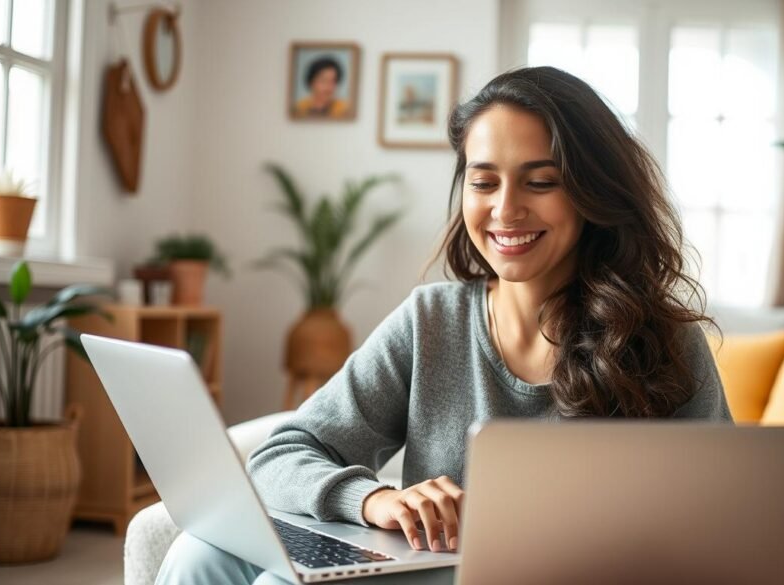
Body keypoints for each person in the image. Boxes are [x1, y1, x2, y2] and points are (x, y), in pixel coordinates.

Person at [155, 66, 732, 585]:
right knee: (197, 555)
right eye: (484, 182)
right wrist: (373, 499)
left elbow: (721, 524)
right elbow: (281, 454)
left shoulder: (665, 343)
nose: (505, 210)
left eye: (540, 181)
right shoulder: (431, 320)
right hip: (428, 565)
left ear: (592, 193)